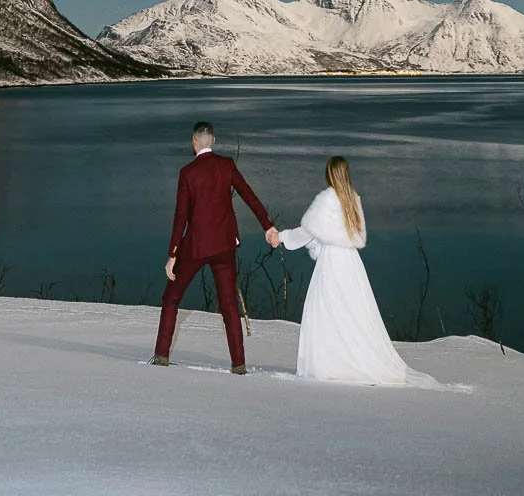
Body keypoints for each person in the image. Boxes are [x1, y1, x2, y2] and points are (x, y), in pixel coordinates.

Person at [278, 156, 438, 386]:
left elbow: (306, 232)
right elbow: (352, 234)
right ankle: (350, 361)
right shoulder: (353, 200)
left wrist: (281, 237)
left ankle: (328, 364)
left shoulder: (327, 200)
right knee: (353, 312)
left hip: (332, 263)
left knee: (326, 312)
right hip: (351, 263)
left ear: (329, 175)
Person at [152, 120, 279, 375]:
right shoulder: (226, 165)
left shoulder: (187, 173)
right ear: (214, 141)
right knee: (229, 304)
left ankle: (162, 356)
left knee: (171, 297)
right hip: (224, 245)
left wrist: (172, 254)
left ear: (194, 142)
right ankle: (239, 365)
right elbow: (250, 196)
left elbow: (181, 217)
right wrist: (268, 226)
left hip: (196, 246)